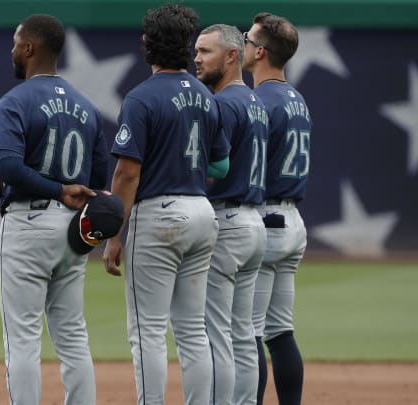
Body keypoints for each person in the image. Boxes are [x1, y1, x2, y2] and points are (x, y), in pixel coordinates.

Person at [102, 4, 231, 404]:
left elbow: (126, 174)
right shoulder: (206, 97)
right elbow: (219, 165)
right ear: (187, 46)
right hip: (201, 212)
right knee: (193, 330)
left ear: (147, 44)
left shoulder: (141, 98)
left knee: (148, 331)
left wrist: (113, 233)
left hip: (159, 217)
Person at [0, 14, 109, 405]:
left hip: (28, 222)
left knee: (23, 337)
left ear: (29, 48)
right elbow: (100, 175)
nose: (12, 50)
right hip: (73, 229)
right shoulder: (86, 107)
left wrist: (55, 188)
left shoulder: (13, 101)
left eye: (14, 43)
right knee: (72, 334)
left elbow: (7, 167)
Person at [194, 24, 269, 405]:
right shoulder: (255, 100)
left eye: (206, 51)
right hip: (255, 221)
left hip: (226, 220)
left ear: (232, 55)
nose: (197, 58)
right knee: (243, 333)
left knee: (215, 333)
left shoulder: (220, 103)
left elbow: (209, 168)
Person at [242, 12, 312, 405]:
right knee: (280, 331)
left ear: (261, 51)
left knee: (249, 332)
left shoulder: (257, 100)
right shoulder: (297, 99)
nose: (244, 45)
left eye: (248, 40)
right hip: (292, 223)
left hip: (263, 219)